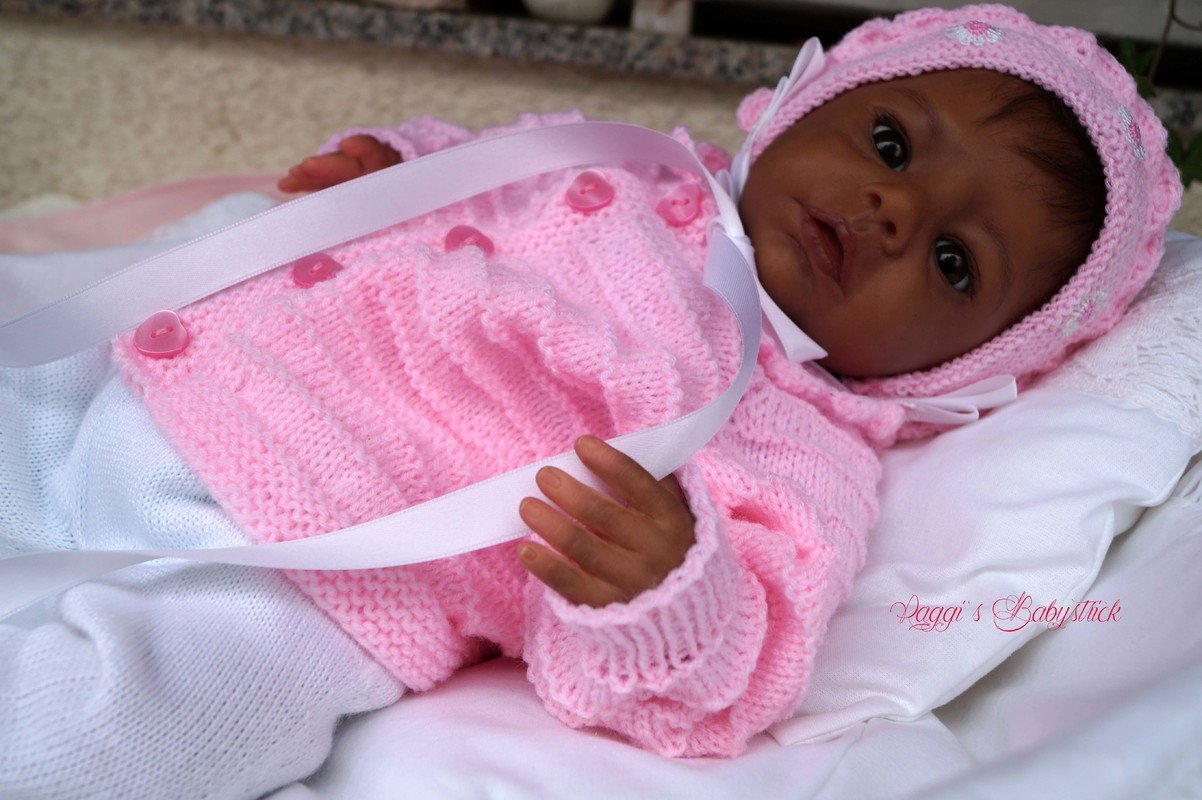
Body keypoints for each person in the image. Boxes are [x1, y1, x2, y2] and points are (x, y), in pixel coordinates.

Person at [0, 4, 1181, 797]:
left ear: (968, 368)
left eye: (953, 263)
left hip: (330, 581)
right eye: (886, 141)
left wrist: (662, 588)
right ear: (802, 97)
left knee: (123, 732)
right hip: (196, 364)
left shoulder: (805, 446)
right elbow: (464, 159)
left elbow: (732, 665)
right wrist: (383, 170)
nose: (892, 211)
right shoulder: (619, 161)